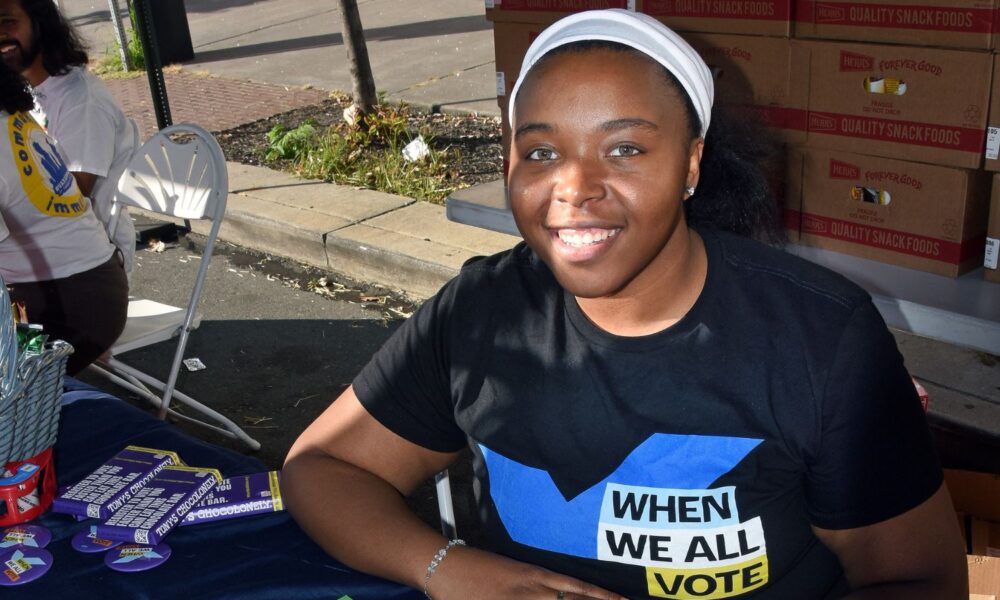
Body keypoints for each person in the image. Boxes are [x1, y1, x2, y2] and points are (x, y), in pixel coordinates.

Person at [283, 10, 967, 600]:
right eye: (542, 150)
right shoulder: (482, 313)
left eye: (626, 148)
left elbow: (921, 579)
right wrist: (443, 566)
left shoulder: (820, 339)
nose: (574, 187)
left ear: (692, 164)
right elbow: (323, 468)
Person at [0, 59, 128, 375]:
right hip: (95, 292)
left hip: (58, 314)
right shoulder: (10, 115)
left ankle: (33, 404)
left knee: (13, 372)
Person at [1, 0, 139, 273]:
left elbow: (71, 195)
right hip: (43, 254)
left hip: (91, 261)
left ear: (39, 24)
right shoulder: (27, 92)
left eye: (8, 22)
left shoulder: (81, 100)